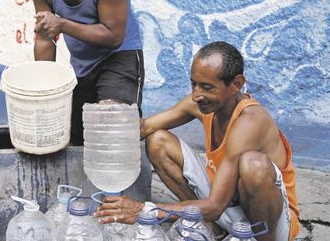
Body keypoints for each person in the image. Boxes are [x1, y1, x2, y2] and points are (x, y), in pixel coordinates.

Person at [93, 41, 299, 241]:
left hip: (268, 225)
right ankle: (214, 225)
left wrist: (143, 210)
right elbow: (145, 127)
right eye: (194, 84)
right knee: (157, 140)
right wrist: (108, 131)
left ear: (236, 84)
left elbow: (216, 205)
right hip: (224, 207)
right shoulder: (203, 104)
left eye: (207, 87)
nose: (196, 95)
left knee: (253, 165)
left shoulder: (250, 121)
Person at [31, 0, 150, 199]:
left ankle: (130, 207)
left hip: (119, 56)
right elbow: (46, 37)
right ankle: (84, 208)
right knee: (71, 137)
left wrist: (63, 24)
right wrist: (46, 90)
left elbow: (112, 35)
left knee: (112, 128)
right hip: (83, 67)